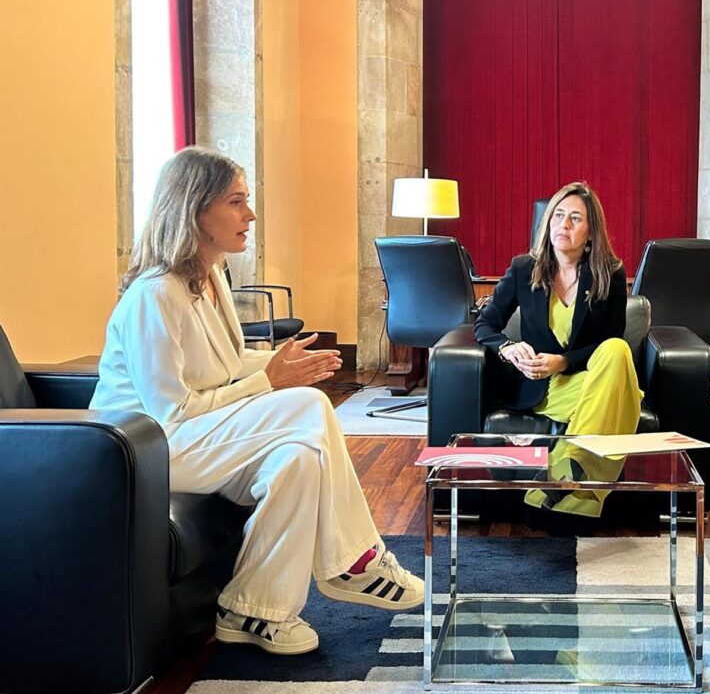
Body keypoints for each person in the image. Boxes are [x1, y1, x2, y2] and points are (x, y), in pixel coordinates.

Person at [91, 148, 424, 657]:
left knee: (300, 459)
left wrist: (274, 363)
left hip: (193, 437)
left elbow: (222, 365)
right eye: (236, 202)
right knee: (308, 407)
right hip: (147, 447)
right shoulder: (153, 295)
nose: (249, 215)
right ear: (194, 208)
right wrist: (270, 380)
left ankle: (255, 610)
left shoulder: (211, 277)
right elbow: (169, 413)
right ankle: (356, 561)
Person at [474, 182, 641, 517]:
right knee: (623, 395)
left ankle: (563, 476)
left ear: (591, 232)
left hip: (585, 377)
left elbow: (609, 342)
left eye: (575, 218)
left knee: (616, 350)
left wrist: (563, 361)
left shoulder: (610, 273)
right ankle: (575, 486)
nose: (564, 225)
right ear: (547, 222)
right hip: (542, 387)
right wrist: (508, 347)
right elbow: (484, 325)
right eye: (558, 215)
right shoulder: (523, 269)